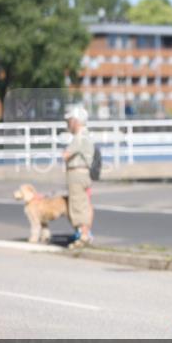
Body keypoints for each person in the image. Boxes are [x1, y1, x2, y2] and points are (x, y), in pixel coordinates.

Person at [62, 105, 95, 250]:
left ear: (76, 121)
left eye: (69, 121)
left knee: (78, 205)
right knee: (84, 205)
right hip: (84, 174)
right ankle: (85, 234)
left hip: (77, 174)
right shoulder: (86, 135)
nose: (68, 124)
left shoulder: (80, 136)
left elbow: (66, 155)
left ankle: (83, 236)